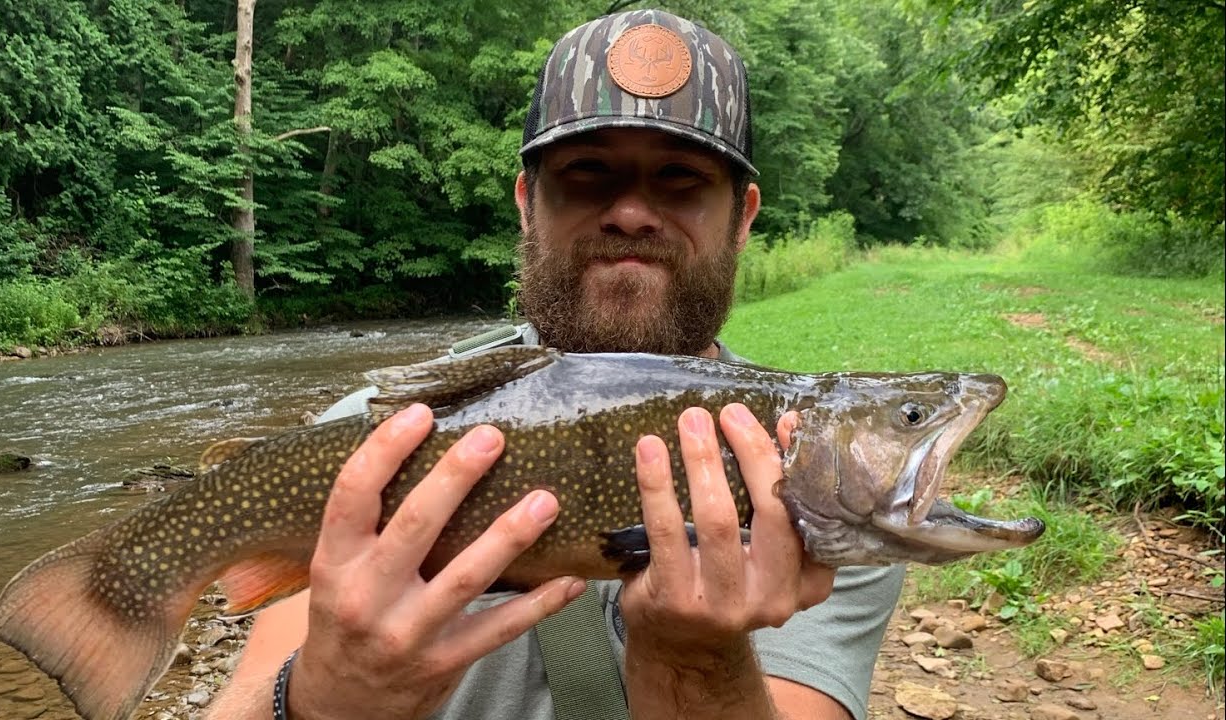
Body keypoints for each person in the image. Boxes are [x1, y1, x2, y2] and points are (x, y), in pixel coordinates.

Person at [206, 9, 904, 720]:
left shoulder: (809, 470)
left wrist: (697, 660)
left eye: (680, 178)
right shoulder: (370, 439)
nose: (630, 212)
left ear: (744, 217)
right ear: (526, 203)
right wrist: (314, 701)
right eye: (588, 172)